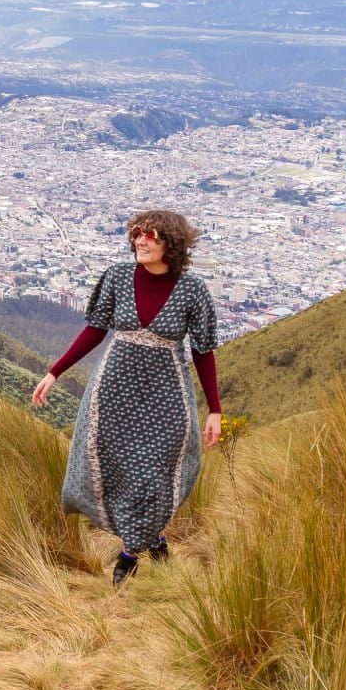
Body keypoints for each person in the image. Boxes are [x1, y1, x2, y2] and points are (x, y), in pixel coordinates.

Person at [30, 209, 222, 588]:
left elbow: (203, 351)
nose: (141, 241)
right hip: (113, 392)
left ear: (171, 242)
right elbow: (95, 330)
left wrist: (215, 409)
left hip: (167, 396)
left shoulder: (192, 291)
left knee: (156, 474)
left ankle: (129, 555)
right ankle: (154, 542)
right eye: (136, 235)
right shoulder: (118, 277)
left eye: (150, 236)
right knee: (118, 471)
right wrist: (54, 372)